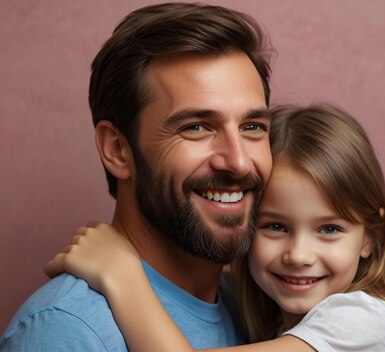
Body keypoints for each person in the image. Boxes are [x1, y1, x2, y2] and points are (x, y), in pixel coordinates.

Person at [45, 104, 385, 351]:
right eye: (276, 227)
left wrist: (121, 273)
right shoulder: (254, 316)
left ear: (371, 236)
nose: (299, 255)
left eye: (329, 230)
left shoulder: (367, 323)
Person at [1, 3, 273, 350]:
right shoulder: (66, 329)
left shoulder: (258, 308)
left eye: (252, 127)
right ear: (117, 149)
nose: (238, 162)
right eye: (196, 127)